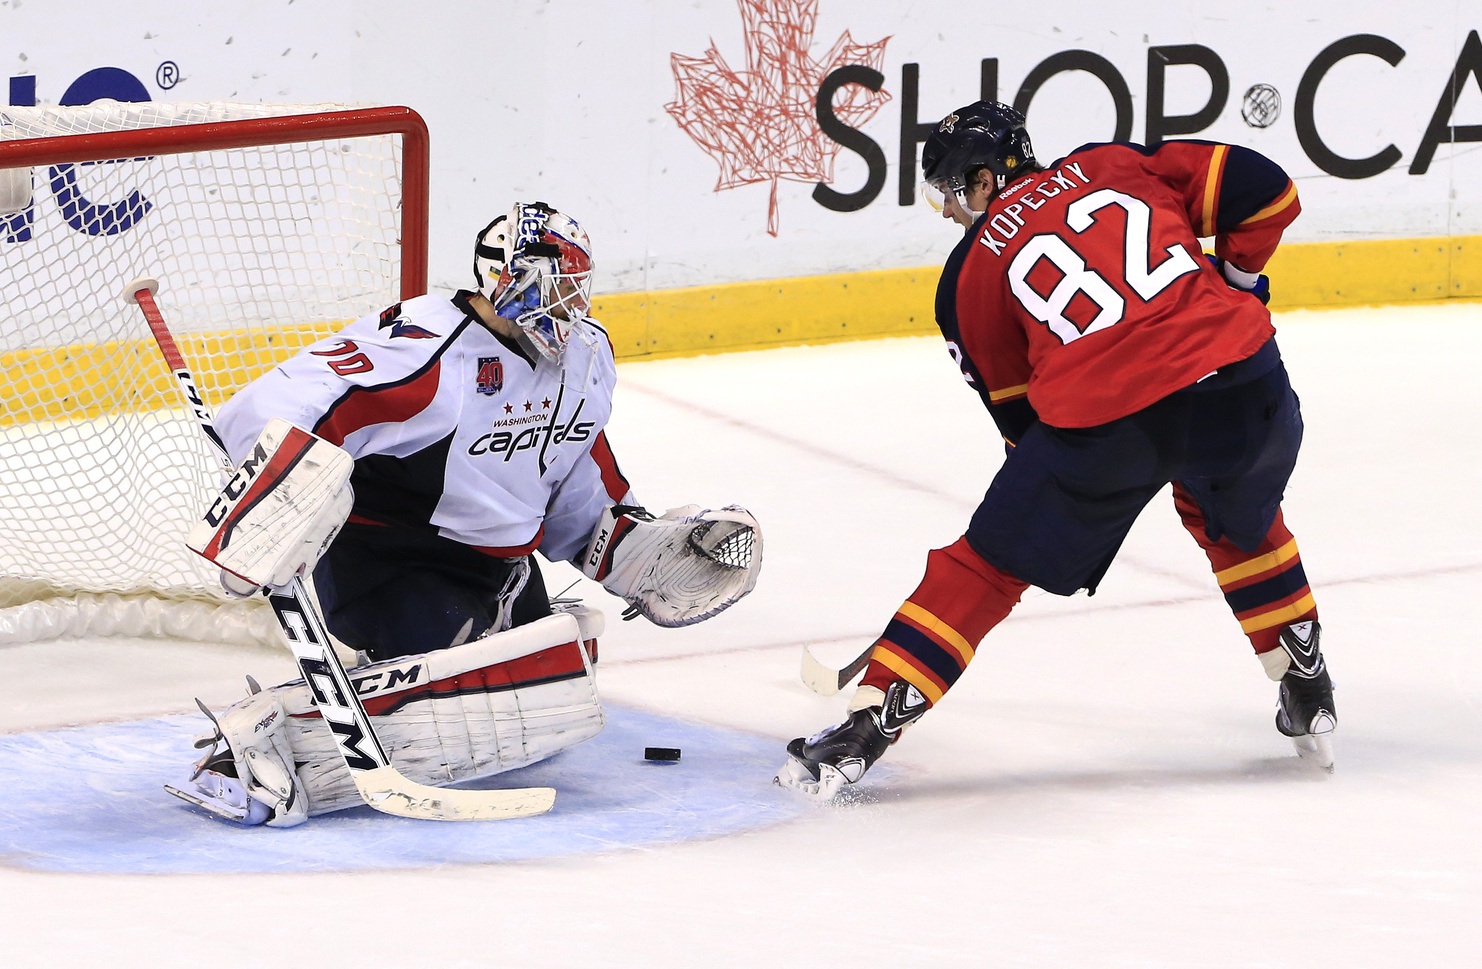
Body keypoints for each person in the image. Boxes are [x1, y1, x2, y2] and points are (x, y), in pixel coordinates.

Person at [776, 102, 1333, 800]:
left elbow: (1023, 423)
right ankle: (1305, 679)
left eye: (951, 192)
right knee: (1236, 515)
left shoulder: (968, 276)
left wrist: (1028, 507)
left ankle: (866, 724)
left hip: (1117, 419)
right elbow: (1272, 192)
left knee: (982, 567)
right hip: (1247, 382)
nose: (949, 212)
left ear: (984, 179)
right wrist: (1240, 278)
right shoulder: (1115, 163)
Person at [167, 201, 762, 826]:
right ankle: (249, 749)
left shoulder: (586, 355)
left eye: (578, 290)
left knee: (552, 682)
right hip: (392, 564)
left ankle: (445, 649)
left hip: (503, 571)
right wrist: (274, 498)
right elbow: (260, 416)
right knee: (448, 701)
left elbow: (578, 461)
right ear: (510, 278)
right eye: (560, 289)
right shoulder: (424, 354)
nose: (573, 309)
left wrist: (630, 545)